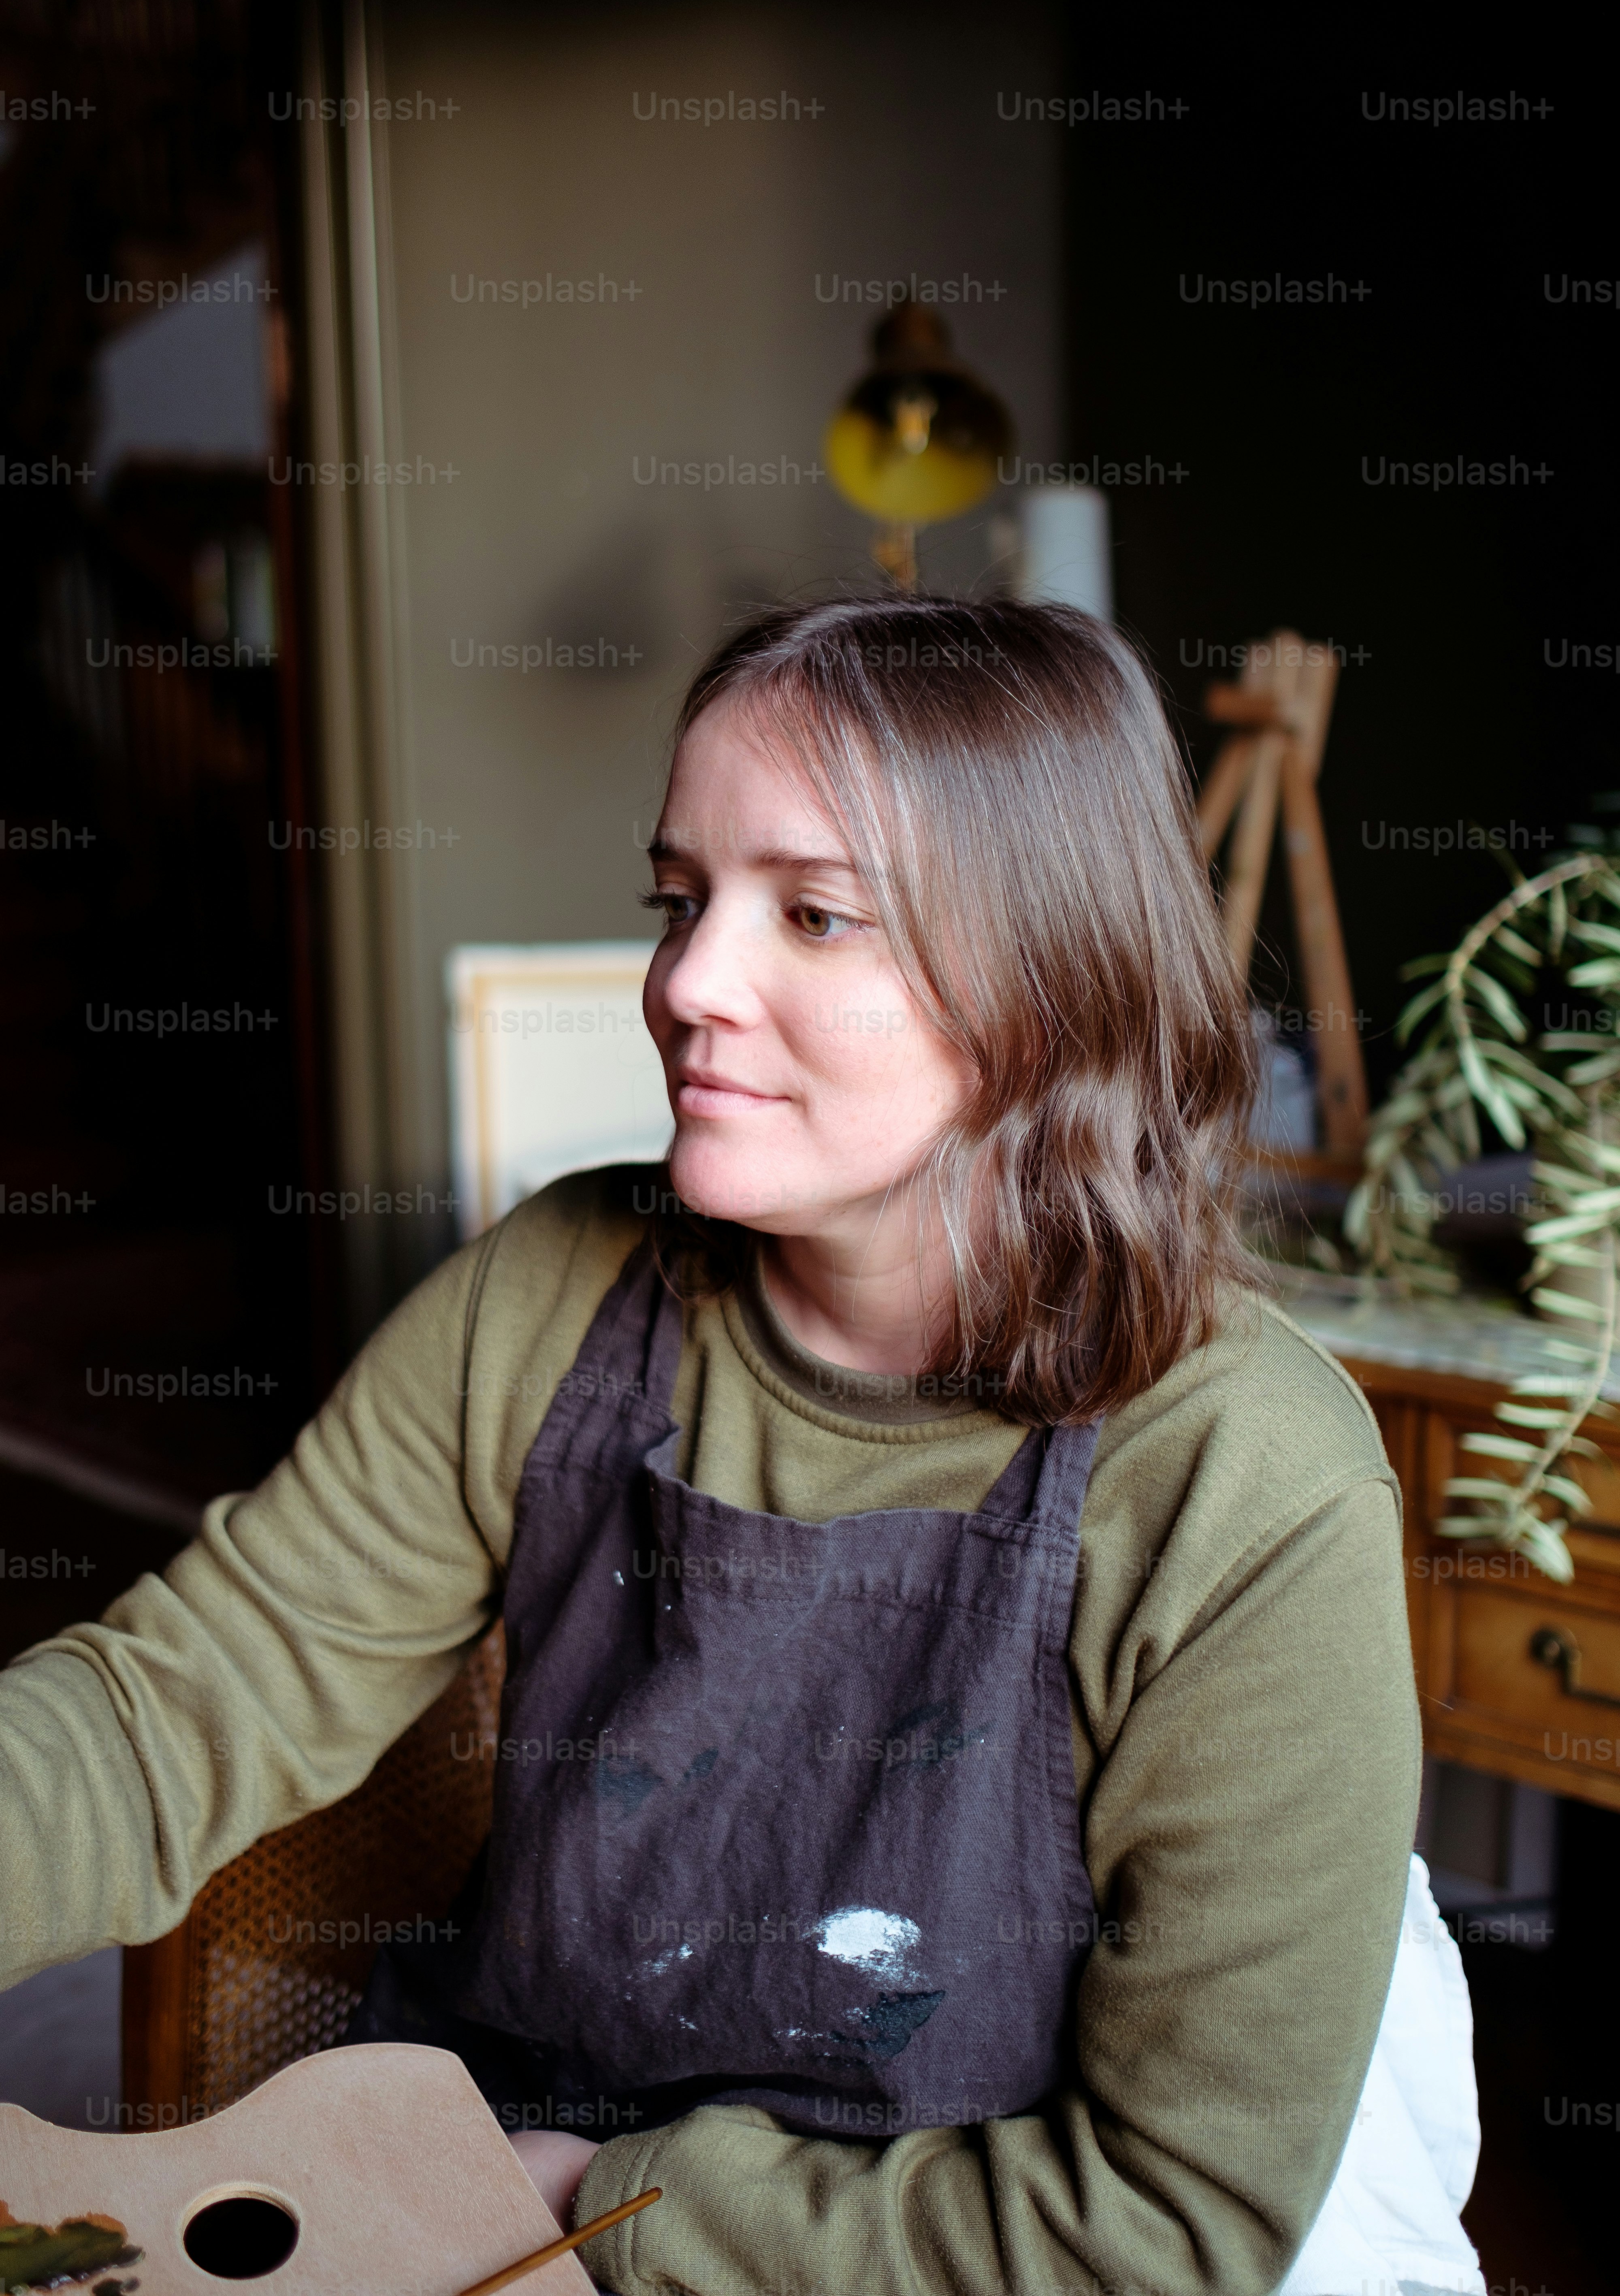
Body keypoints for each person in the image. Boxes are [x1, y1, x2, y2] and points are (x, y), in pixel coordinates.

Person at [0, 600, 1483, 2296]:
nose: (689, 983)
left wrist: (608, 2200)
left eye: (816, 915)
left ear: (1052, 974)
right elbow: (174, 1710)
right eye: (680, 899)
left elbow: (1159, 2233)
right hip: (484, 2177)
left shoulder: (1247, 1482)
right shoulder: (550, 1292)